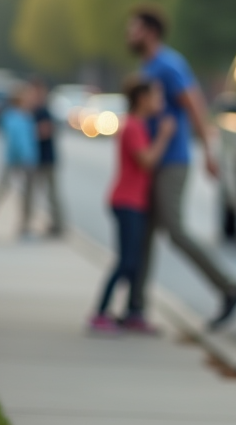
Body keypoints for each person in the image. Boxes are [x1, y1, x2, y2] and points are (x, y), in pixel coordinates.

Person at [124, 4, 236, 331]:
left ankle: (229, 287)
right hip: (153, 162)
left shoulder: (168, 64)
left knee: (174, 230)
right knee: (144, 235)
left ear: (150, 32)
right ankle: (135, 307)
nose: (129, 34)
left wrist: (207, 151)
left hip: (172, 161)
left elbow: (193, 103)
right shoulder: (147, 65)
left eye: (134, 28)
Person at [89, 77, 176, 333]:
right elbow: (146, 161)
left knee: (134, 261)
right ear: (142, 99)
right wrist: (164, 136)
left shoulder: (135, 125)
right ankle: (99, 313)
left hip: (134, 202)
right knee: (125, 261)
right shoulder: (133, 126)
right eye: (156, 96)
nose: (159, 102)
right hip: (127, 202)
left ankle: (132, 315)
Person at [0, 83, 38, 237]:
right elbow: (17, 141)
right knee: (4, 188)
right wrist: (25, 157)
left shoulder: (25, 116)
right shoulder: (13, 117)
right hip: (17, 159)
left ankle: (25, 225)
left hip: (28, 159)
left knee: (27, 194)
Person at [29, 77, 65, 237]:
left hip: (46, 157)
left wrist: (28, 132)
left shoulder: (43, 111)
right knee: (36, 192)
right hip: (36, 157)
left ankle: (58, 224)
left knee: (51, 193)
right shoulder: (34, 110)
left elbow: (46, 131)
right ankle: (51, 223)